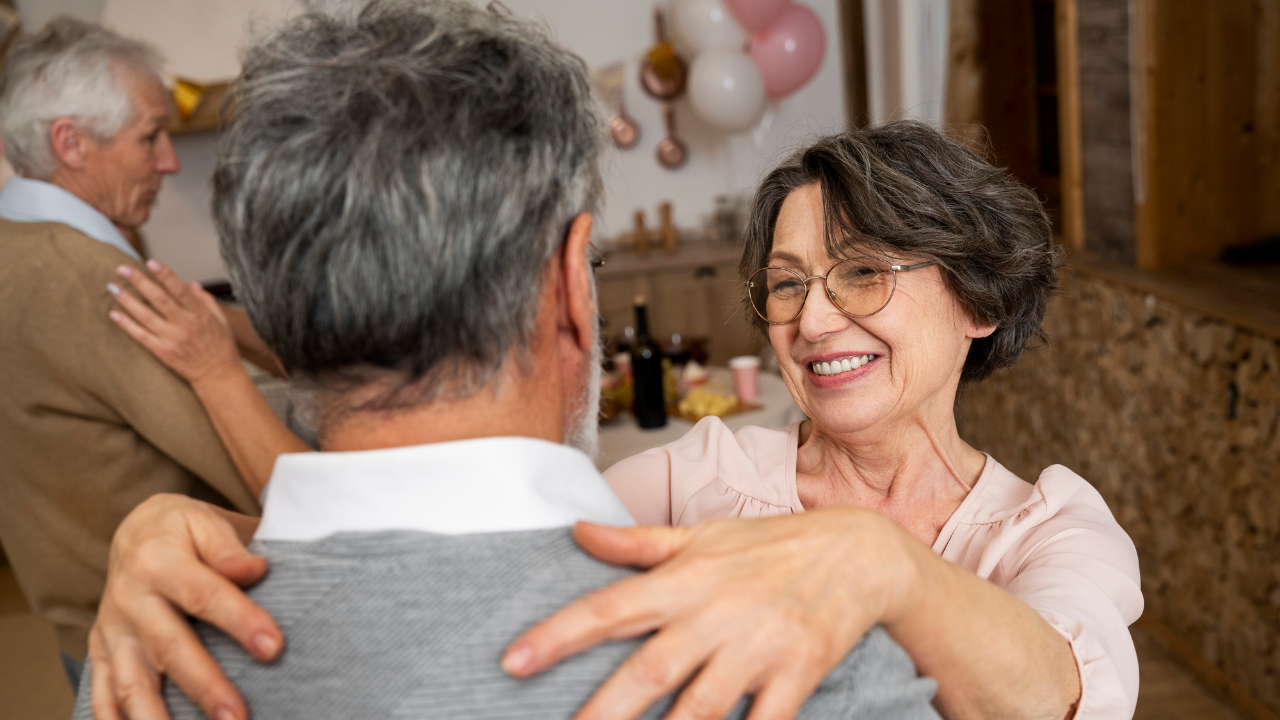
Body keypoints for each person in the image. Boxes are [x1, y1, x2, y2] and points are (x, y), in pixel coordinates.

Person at [87, 21, 1143, 720]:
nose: (813, 316)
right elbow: (464, 538)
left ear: (980, 302)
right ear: (570, 286)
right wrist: (183, 533)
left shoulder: (1049, 528)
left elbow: (1069, 692)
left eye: (862, 273)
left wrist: (884, 564)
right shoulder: (705, 474)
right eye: (783, 284)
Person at [0, 18, 301, 689]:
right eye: (149, 136)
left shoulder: (23, 242)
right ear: (70, 143)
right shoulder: (92, 278)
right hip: (173, 645)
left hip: (90, 632)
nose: (169, 160)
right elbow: (274, 486)